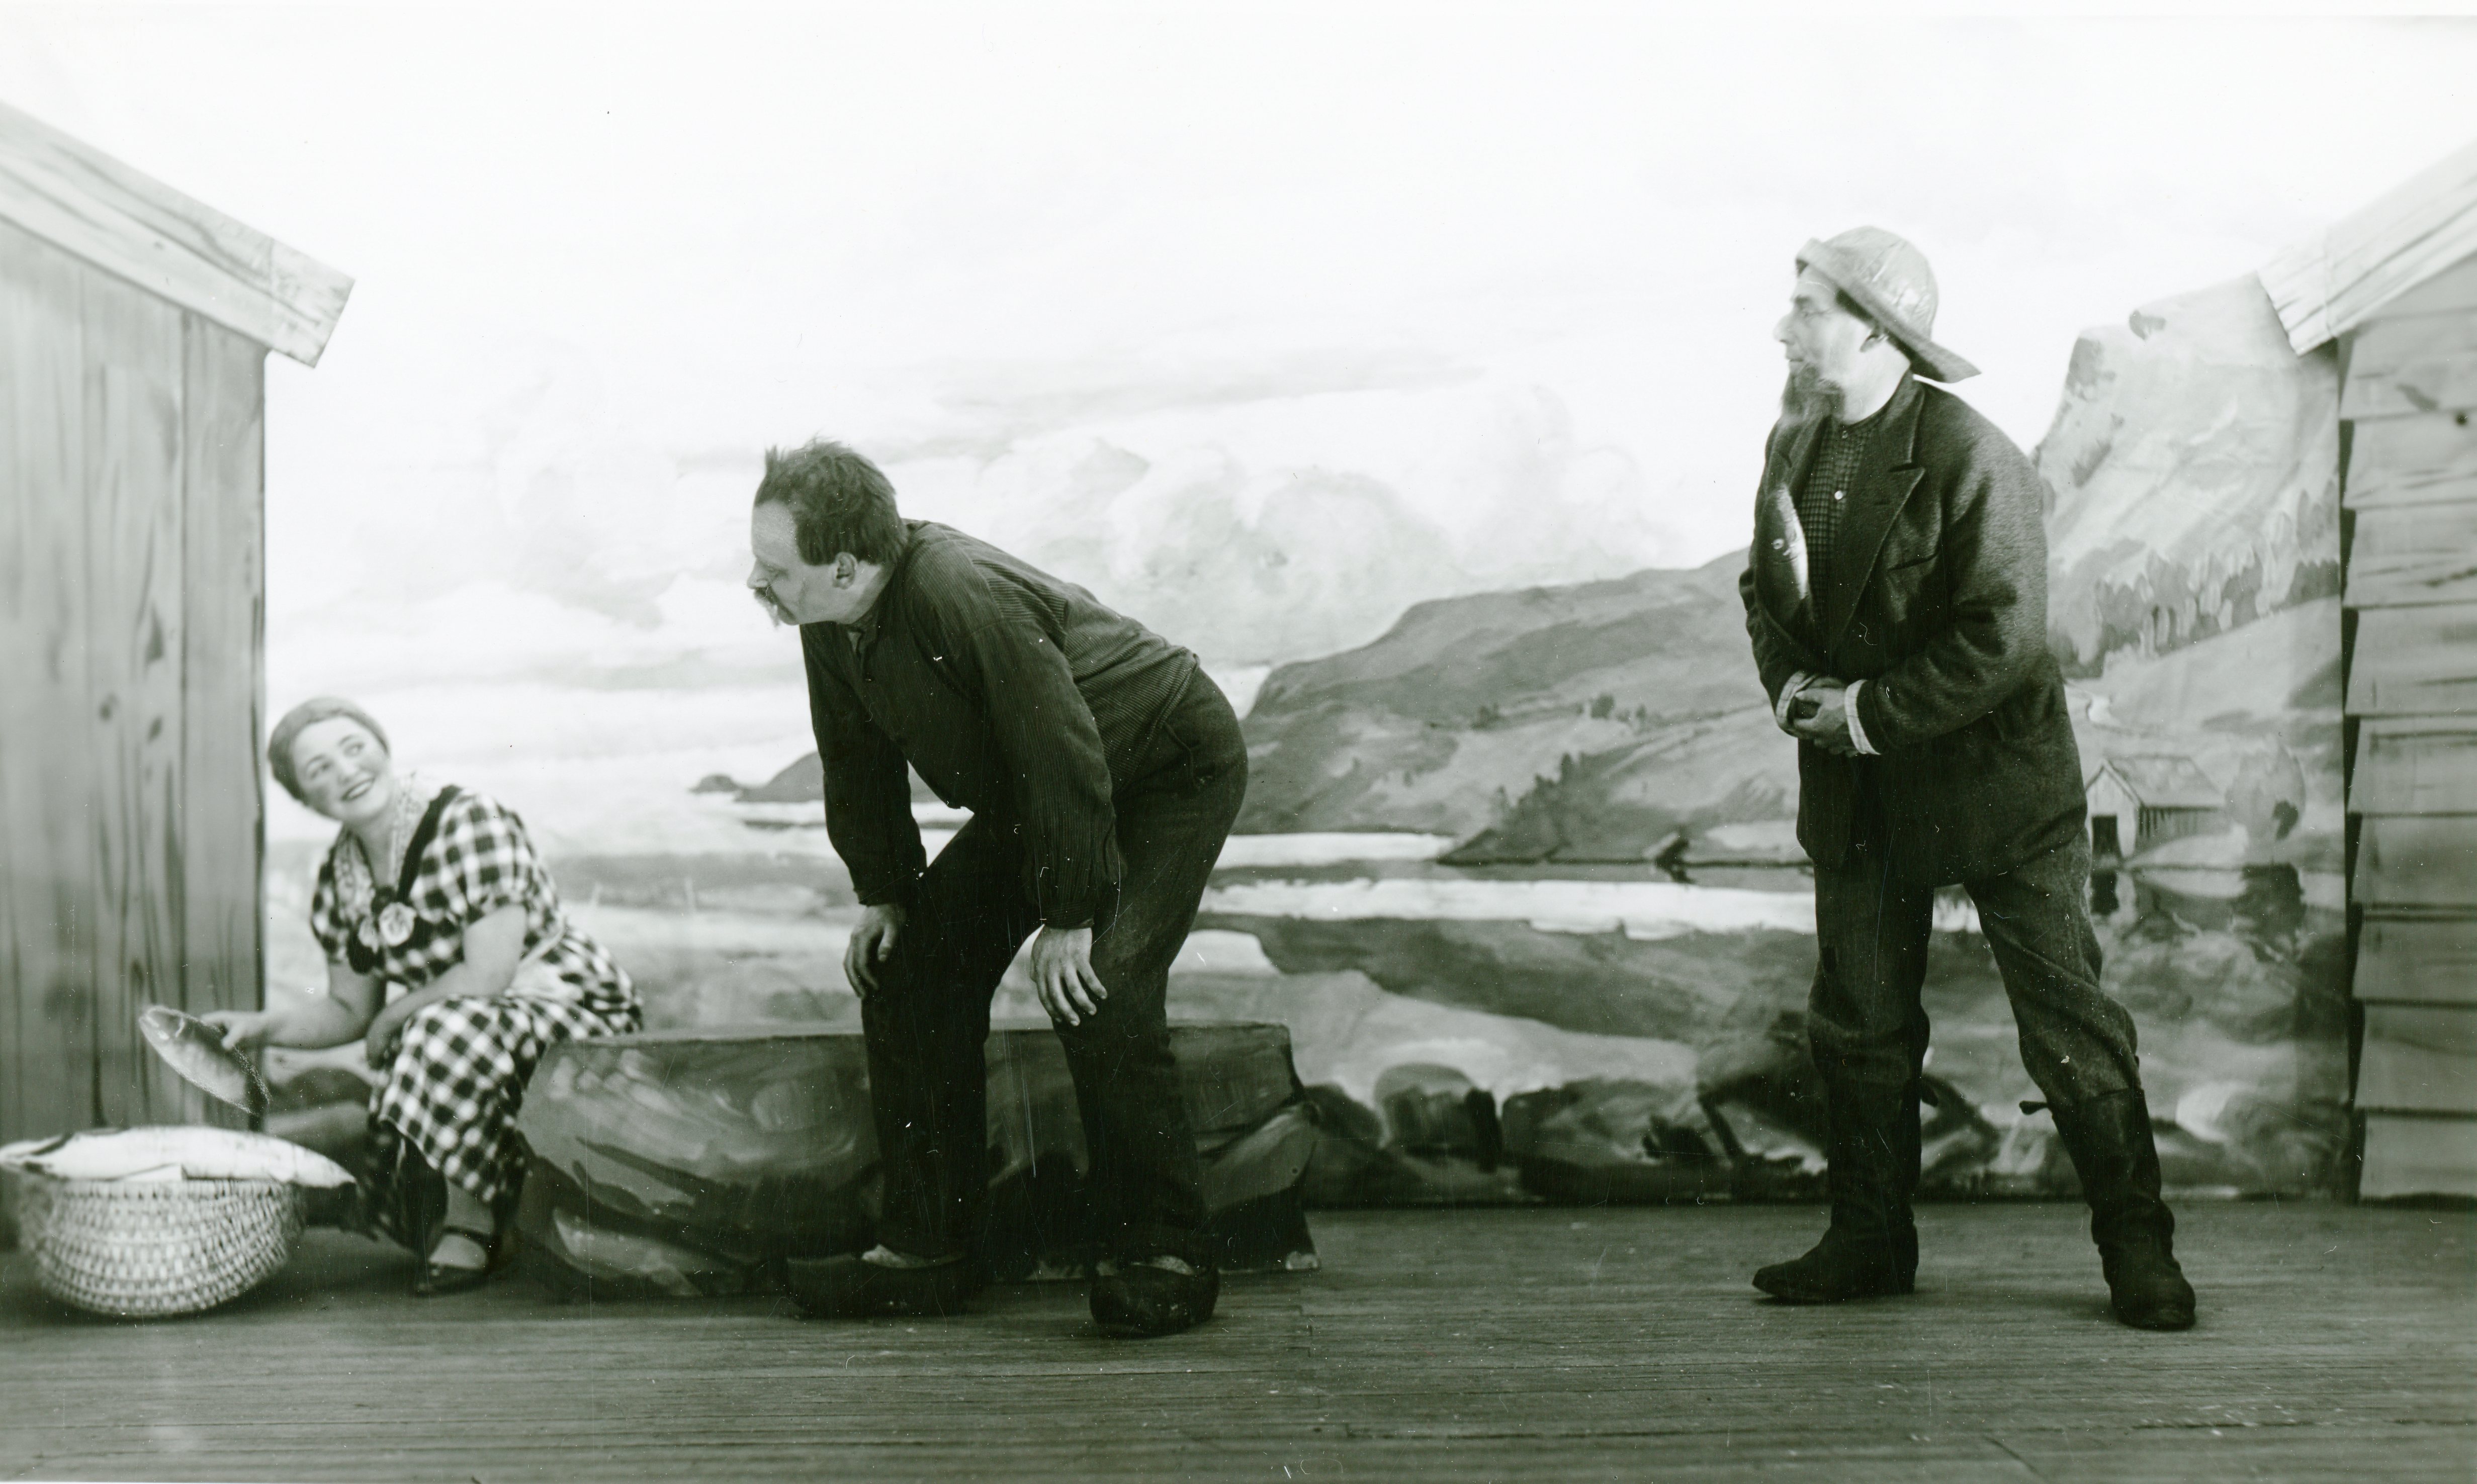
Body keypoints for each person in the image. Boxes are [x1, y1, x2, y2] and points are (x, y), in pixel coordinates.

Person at [1737, 227, 2196, 1331]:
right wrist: (1795, 693)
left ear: (1874, 330)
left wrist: (1866, 713)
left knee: (2070, 1022)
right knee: (1858, 1020)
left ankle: (2139, 1252)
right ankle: (1868, 1242)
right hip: (1858, 792)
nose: (1783, 327)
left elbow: (2003, 636)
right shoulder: (1793, 444)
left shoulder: (1973, 456)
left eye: (1807, 308)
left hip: (1998, 787)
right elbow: (1765, 593)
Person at [747, 439, 1245, 1338]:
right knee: (912, 973)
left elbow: (1057, 742)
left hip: (1168, 764)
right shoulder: (827, 617)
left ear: (845, 565)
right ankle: (931, 1251)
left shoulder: (955, 589)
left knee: (1102, 985)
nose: (758, 582)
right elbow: (855, 761)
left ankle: (1166, 1254)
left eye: (775, 569)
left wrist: (1070, 911)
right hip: (1049, 787)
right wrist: (887, 893)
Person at [205, 698, 642, 1296]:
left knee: (437, 1030)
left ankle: (473, 1225)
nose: (347, 771)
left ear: (382, 748)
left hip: (571, 1002)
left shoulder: (468, 823)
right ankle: (481, 1218)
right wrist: (262, 1028)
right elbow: (349, 1011)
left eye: (354, 748)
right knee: (436, 1029)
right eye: (319, 769)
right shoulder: (342, 878)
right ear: (305, 798)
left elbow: (488, 974)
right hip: (469, 1025)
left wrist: (395, 1016)